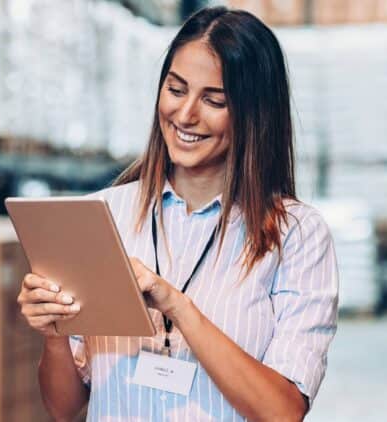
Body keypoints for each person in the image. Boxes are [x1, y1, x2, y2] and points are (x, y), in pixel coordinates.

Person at [17, 6, 338, 422]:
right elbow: (66, 408)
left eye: (214, 100)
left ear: (255, 114)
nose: (185, 115)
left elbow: (281, 411)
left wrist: (178, 307)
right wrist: (54, 334)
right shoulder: (102, 216)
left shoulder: (297, 236)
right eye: (176, 89)